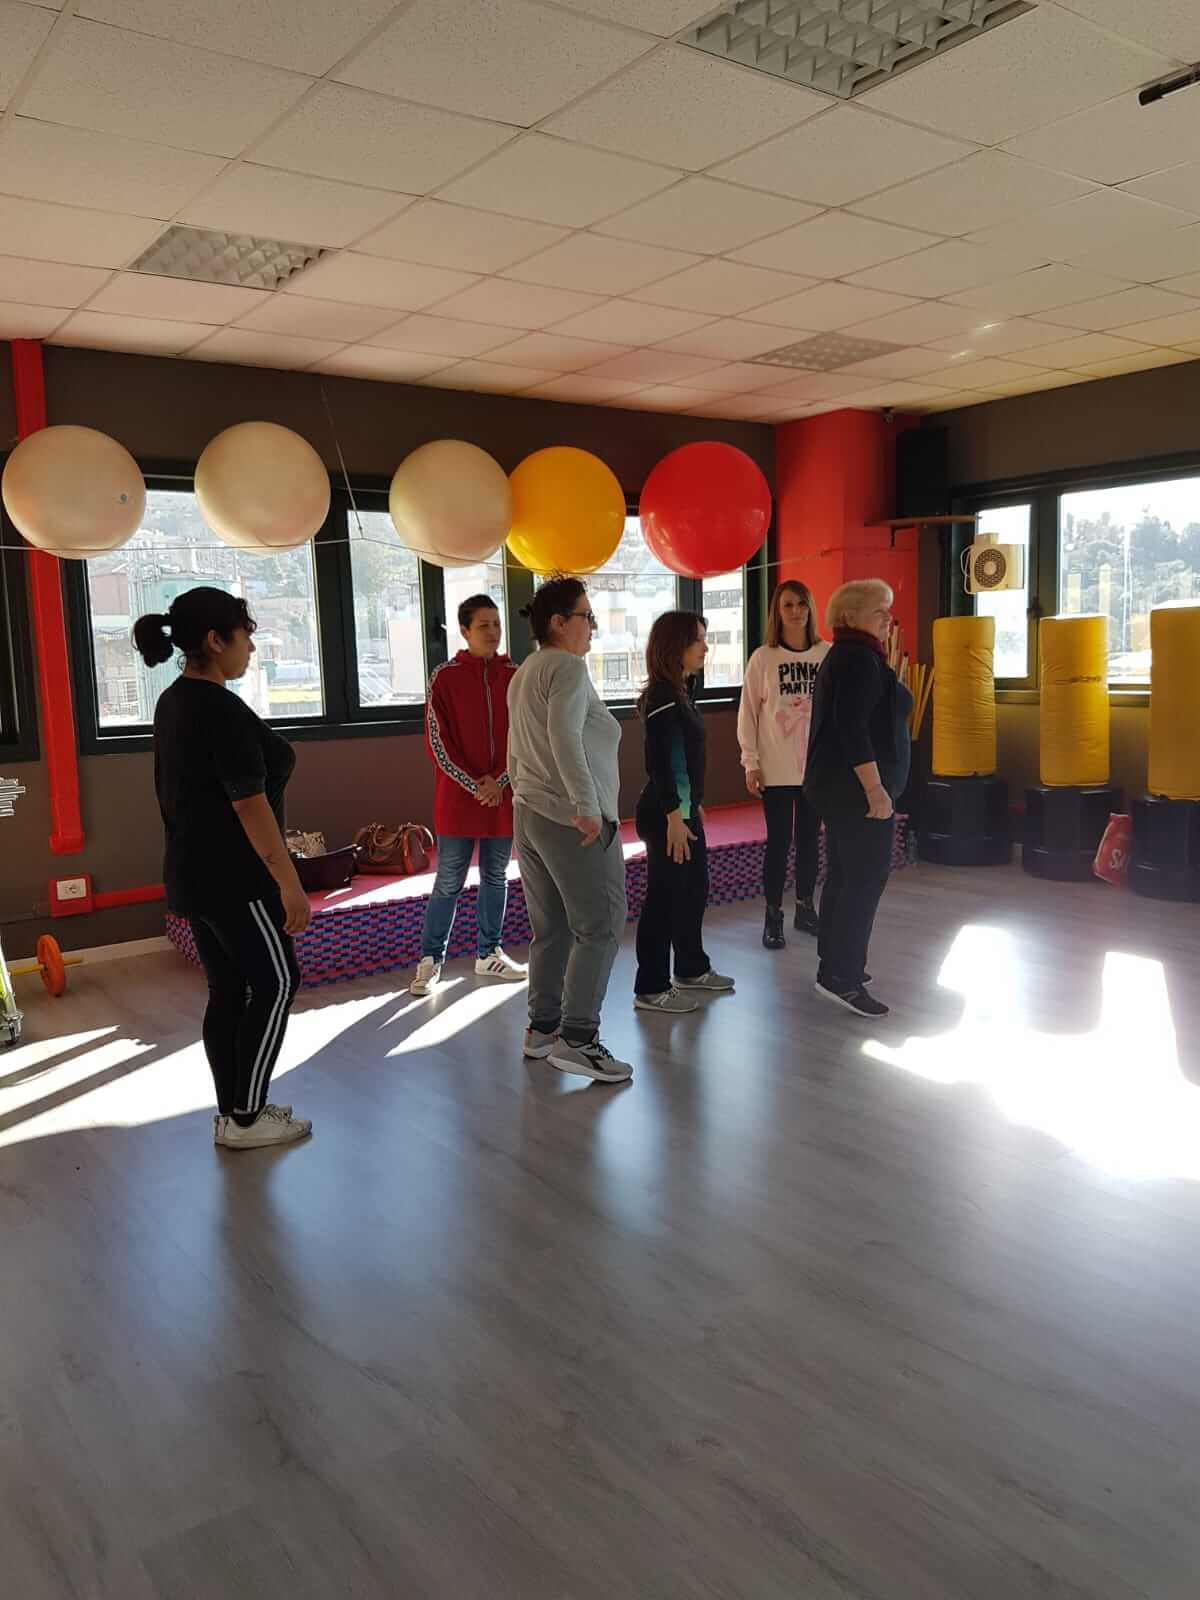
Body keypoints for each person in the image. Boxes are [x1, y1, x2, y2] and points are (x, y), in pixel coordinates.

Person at [132, 587, 312, 1149]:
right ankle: (248, 1117)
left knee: (230, 989)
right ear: (215, 640)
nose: (253, 647)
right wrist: (290, 883)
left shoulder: (175, 700)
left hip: (193, 874)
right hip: (235, 879)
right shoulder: (218, 710)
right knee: (277, 982)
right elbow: (249, 805)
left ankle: (234, 1112)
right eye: (247, 633)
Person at [506, 577, 632, 1084]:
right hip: (569, 817)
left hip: (532, 813)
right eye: (586, 616)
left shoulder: (527, 671)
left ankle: (542, 1030)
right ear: (558, 622)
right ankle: (578, 1039)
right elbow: (564, 738)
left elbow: (522, 748)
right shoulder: (568, 667)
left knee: (553, 928)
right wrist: (585, 806)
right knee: (599, 926)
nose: (593, 628)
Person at [803, 579, 912, 1020]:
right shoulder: (857, 660)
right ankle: (842, 976)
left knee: (847, 875)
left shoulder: (854, 655)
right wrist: (875, 789)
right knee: (864, 880)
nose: (888, 619)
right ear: (850, 617)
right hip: (855, 793)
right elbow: (852, 731)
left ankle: (836, 967)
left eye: (888, 612)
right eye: (878, 612)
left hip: (840, 790)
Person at [410, 594, 524, 996]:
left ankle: (489, 952)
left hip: (502, 797)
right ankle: (430, 960)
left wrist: (500, 782)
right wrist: (477, 785)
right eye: (483, 625)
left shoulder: (516, 674)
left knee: (497, 877)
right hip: (460, 799)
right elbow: (437, 743)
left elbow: (525, 738)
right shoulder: (444, 677)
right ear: (464, 630)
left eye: (496, 624)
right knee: (448, 881)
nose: (492, 632)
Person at [633, 611, 735, 1013]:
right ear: (676, 646)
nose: (705, 647)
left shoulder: (680, 692)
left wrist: (696, 807)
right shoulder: (662, 696)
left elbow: (687, 761)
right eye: (698, 640)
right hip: (665, 815)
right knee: (664, 898)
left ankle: (691, 968)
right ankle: (651, 987)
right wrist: (676, 815)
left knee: (694, 891)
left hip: (685, 811)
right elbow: (662, 762)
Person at [738, 579, 829, 950]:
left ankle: (805, 907)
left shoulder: (826, 654)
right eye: (788, 605)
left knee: (810, 841)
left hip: (815, 769)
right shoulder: (763, 657)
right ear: (777, 611)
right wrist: (750, 761)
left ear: (810, 608)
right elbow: (749, 714)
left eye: (801, 604)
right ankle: (772, 914)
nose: (795, 611)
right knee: (779, 842)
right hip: (775, 770)